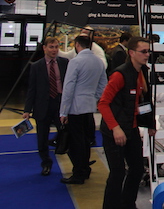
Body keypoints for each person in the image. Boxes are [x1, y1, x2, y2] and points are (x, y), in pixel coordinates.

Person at [98, 36, 156, 209]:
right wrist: (115, 128)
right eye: (143, 51)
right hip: (114, 132)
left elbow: (143, 101)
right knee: (117, 173)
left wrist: (150, 124)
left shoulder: (142, 73)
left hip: (131, 129)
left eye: (148, 51)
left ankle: (127, 204)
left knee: (137, 169)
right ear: (131, 53)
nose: (147, 55)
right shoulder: (120, 75)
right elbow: (103, 104)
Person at [59, 34, 107, 184]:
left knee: (76, 142)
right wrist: (93, 97)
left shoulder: (75, 61)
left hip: (75, 107)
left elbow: (68, 88)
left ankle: (79, 173)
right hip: (89, 107)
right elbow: (103, 85)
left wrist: (63, 111)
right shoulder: (98, 62)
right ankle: (85, 169)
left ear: (77, 45)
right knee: (86, 140)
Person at [23, 37, 69, 176]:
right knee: (42, 137)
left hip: (60, 104)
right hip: (42, 106)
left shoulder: (65, 63)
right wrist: (27, 110)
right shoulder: (36, 66)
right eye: (51, 47)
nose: (54, 50)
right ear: (44, 48)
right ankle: (46, 163)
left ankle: (78, 164)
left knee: (66, 133)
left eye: (56, 47)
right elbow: (32, 90)